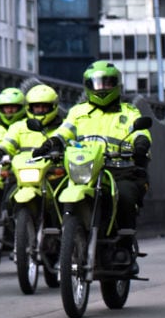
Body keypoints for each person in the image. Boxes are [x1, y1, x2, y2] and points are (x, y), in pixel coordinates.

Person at [33, 61, 151, 266]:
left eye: (107, 83)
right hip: (84, 169)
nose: (102, 88)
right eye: (97, 83)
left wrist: (141, 144)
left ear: (117, 85)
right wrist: (50, 143)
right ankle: (59, 241)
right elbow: (64, 132)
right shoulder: (77, 112)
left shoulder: (129, 112)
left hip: (118, 170)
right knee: (54, 191)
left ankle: (124, 246)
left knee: (124, 195)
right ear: (88, 85)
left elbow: (141, 131)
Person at [0, 83, 63, 163]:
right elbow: (8, 144)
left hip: (54, 170)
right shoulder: (18, 126)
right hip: (23, 170)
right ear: (29, 107)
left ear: (53, 106)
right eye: (37, 106)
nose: (41, 110)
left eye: (45, 106)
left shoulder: (64, 127)